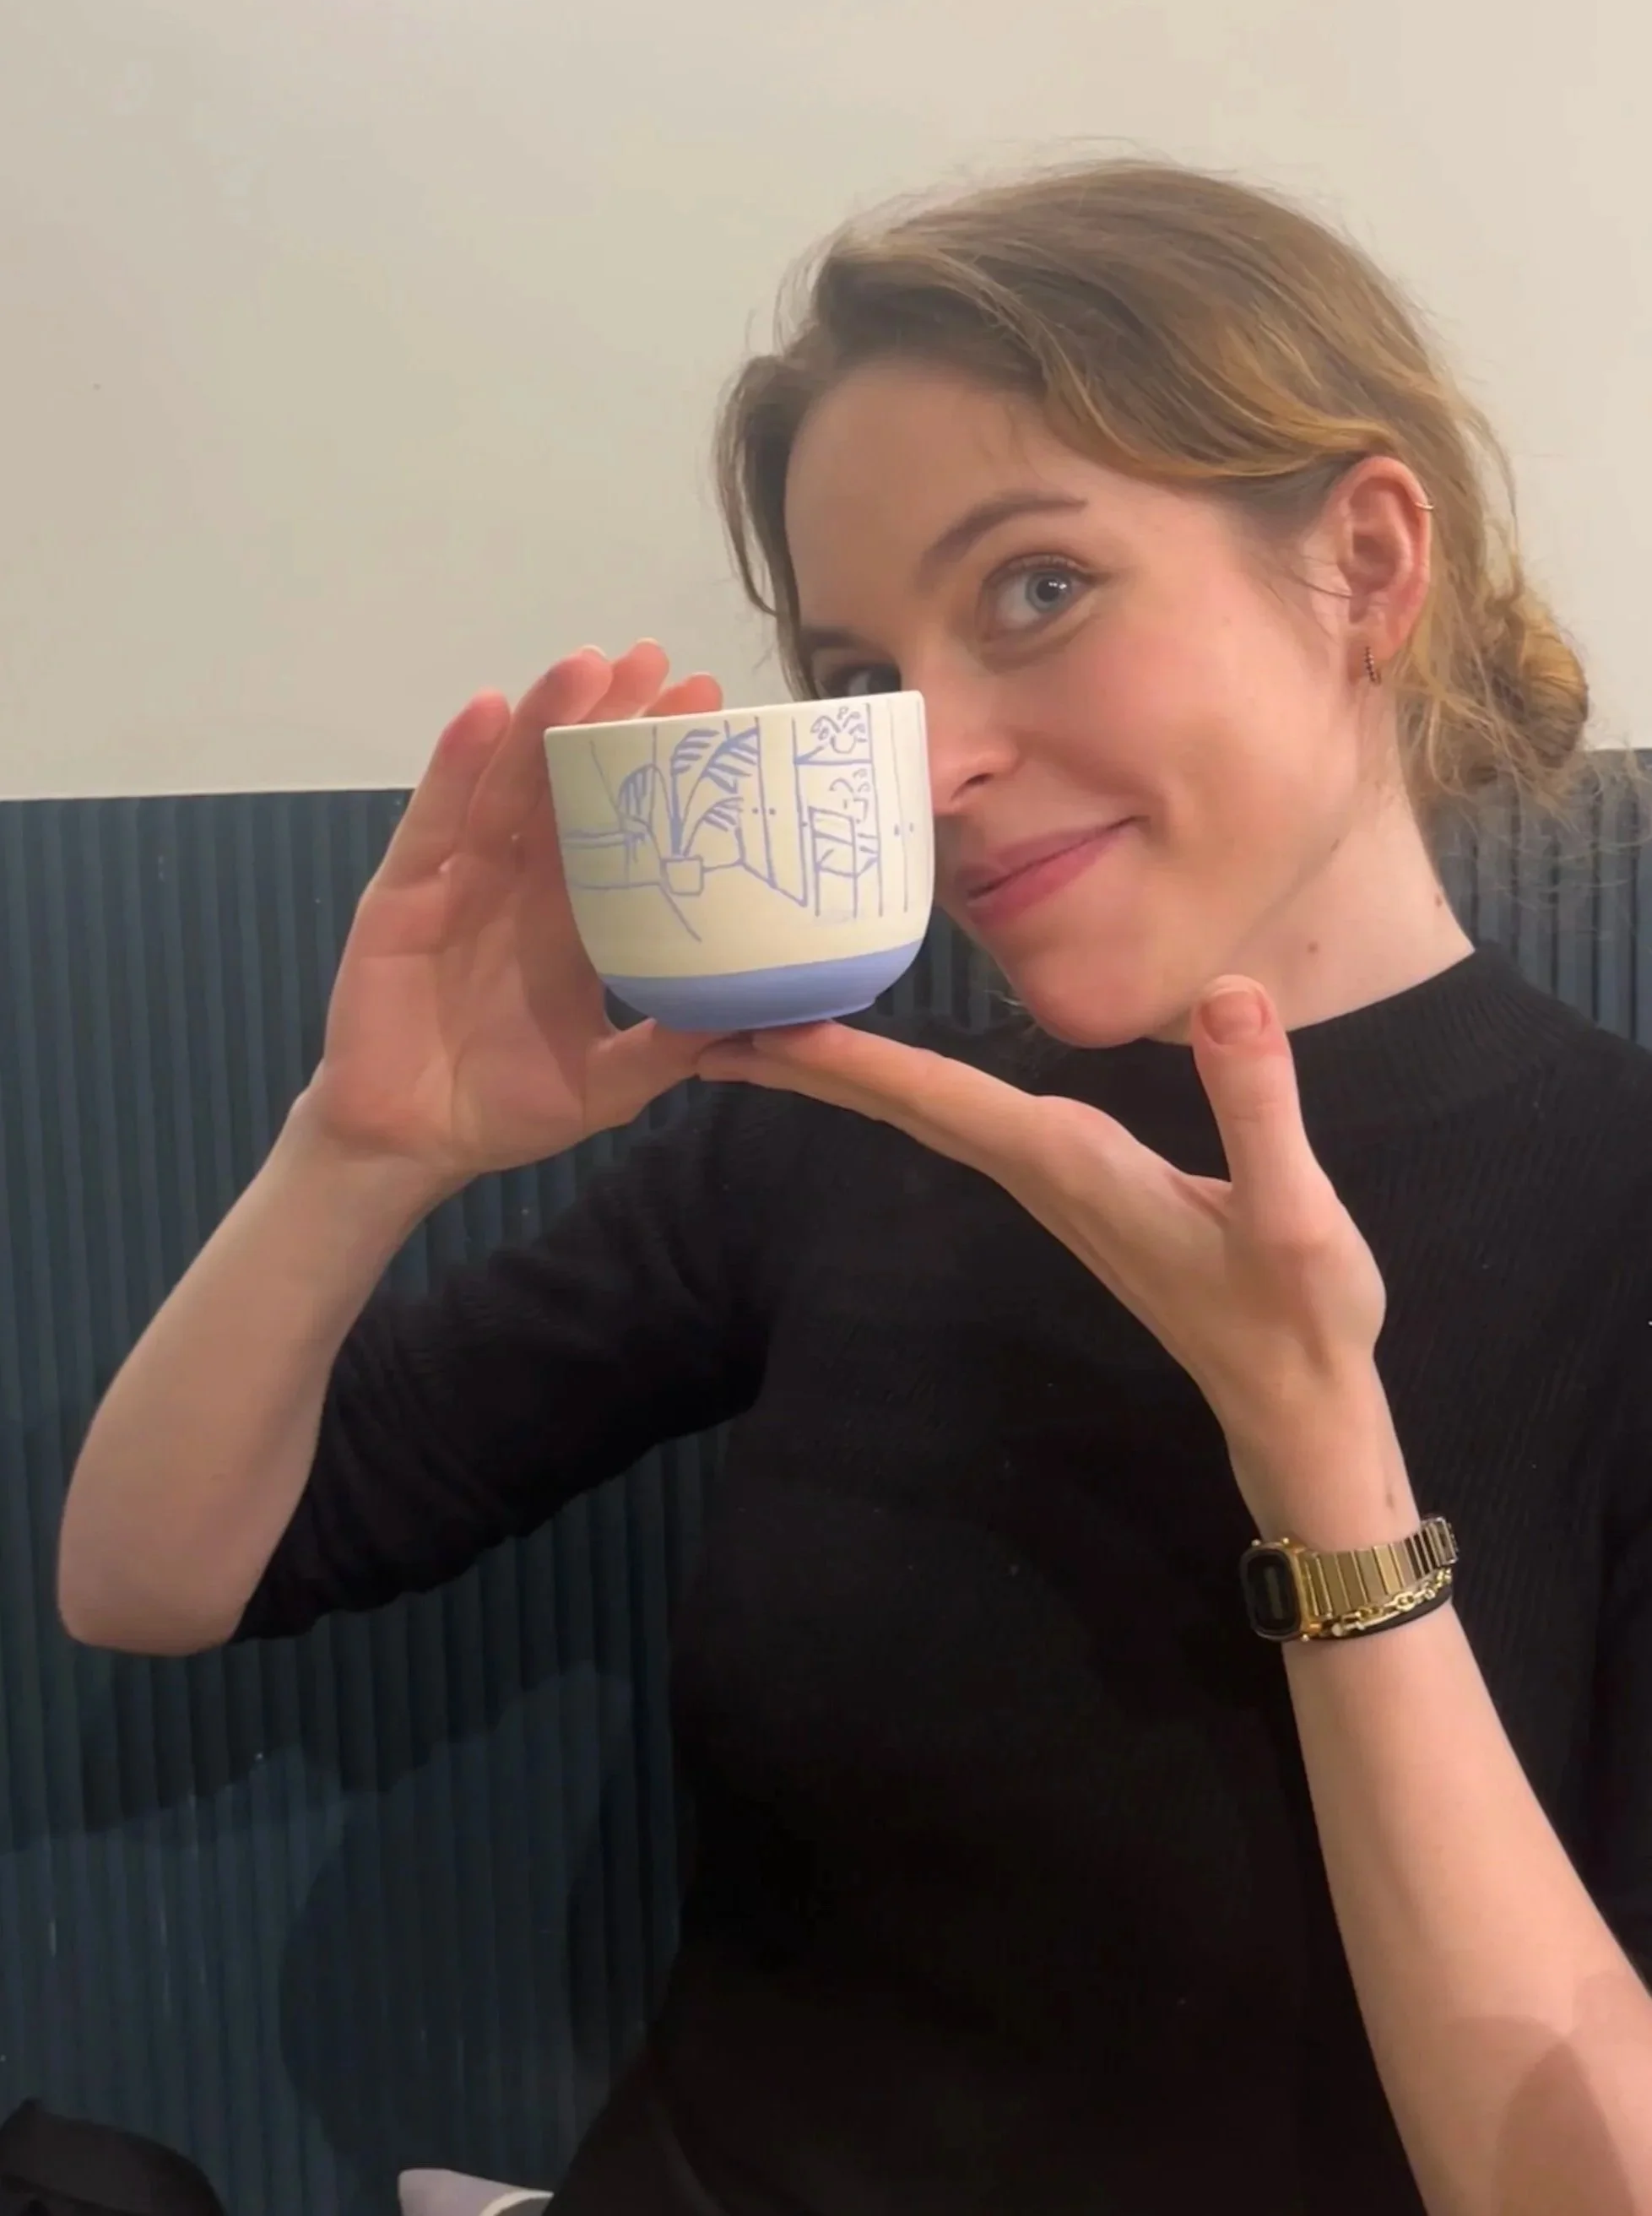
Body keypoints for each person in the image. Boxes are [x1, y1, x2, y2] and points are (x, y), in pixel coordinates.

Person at [58, 161, 1652, 2216]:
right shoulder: (837, 1132)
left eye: (1037, 588)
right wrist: (362, 1154)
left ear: (1360, 560)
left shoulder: (1616, 1219)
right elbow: (157, 1578)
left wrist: (1319, 1457)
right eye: (861, 678)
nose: (928, 757)